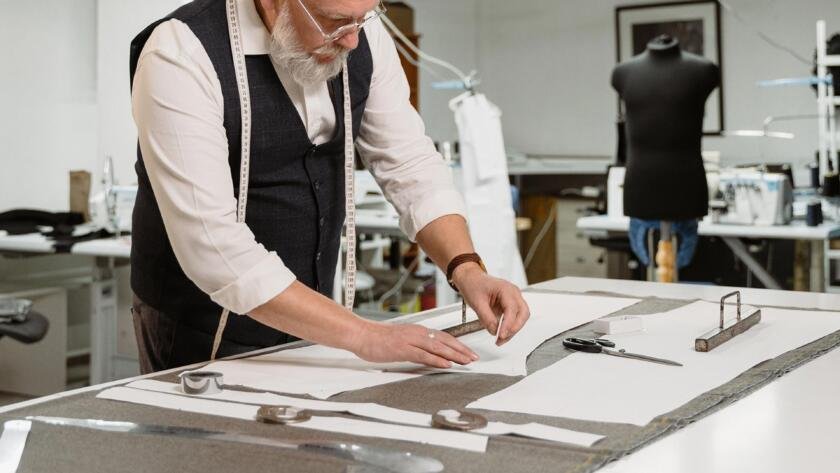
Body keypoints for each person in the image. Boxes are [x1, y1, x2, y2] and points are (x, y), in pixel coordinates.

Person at [129, 0, 530, 374]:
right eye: (335, 21)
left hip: (313, 324)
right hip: (199, 326)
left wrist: (466, 268)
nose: (353, 39)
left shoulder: (360, 34)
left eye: (364, 18)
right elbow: (212, 246)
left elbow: (410, 164)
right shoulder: (180, 54)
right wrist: (365, 335)